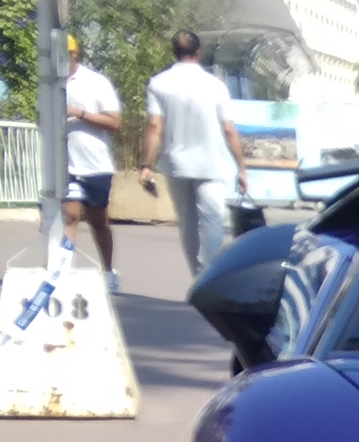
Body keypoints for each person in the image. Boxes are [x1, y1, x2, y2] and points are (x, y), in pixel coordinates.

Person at [138, 29, 248, 279]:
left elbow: (155, 126)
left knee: (187, 223)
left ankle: (196, 276)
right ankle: (212, 277)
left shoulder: (158, 83)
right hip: (211, 162)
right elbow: (229, 128)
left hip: (176, 163)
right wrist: (241, 167)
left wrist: (146, 164)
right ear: (198, 53)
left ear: (174, 53)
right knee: (212, 220)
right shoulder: (215, 85)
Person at [62, 35, 123, 291]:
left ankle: (108, 270)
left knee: (98, 222)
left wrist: (79, 113)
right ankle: (63, 272)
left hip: (95, 164)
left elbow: (114, 122)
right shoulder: (50, 83)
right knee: (69, 217)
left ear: (75, 54)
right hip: (65, 165)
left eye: (66, 55)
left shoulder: (95, 82)